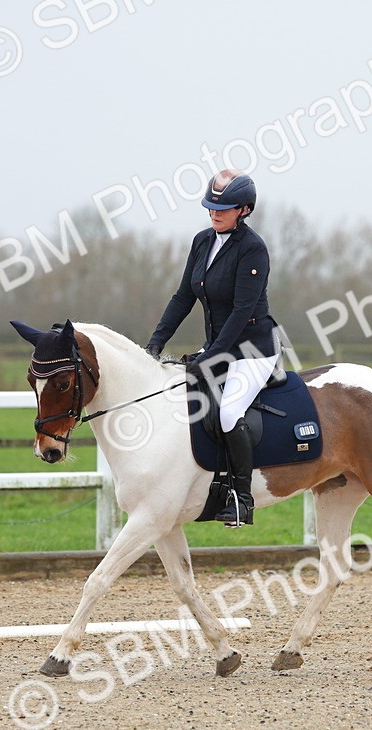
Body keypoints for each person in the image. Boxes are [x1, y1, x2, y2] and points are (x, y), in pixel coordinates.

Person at [145, 169, 277, 526]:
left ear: (244, 210)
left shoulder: (253, 249)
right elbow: (184, 296)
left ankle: (241, 498)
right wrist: (155, 344)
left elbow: (241, 311)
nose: (214, 213)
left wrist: (212, 356)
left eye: (224, 208)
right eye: (211, 207)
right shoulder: (202, 241)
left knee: (230, 412)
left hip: (252, 350)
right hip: (218, 345)